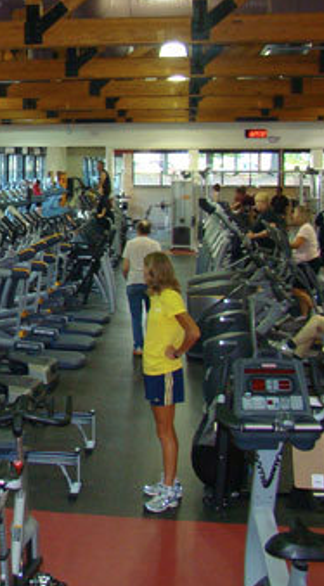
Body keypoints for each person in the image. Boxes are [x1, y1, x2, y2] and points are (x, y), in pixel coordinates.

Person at [141, 252, 200, 514]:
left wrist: (178, 352)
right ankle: (169, 480)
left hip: (165, 371)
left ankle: (169, 489)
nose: (143, 273)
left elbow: (193, 331)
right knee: (162, 429)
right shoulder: (155, 296)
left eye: (146, 269)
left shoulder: (170, 297)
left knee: (165, 431)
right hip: (153, 369)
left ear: (156, 271)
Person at [121, 220, 162, 356]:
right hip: (151, 283)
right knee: (152, 316)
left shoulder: (130, 244)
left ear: (137, 230)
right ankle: (151, 345)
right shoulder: (155, 245)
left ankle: (138, 346)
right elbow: (159, 266)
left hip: (134, 282)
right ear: (149, 231)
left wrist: (127, 279)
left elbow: (125, 267)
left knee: (136, 317)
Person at [289, 205, 320, 318]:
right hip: (305, 263)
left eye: (295, 214)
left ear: (300, 215)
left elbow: (296, 245)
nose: (293, 216)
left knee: (295, 289)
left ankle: (315, 309)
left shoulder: (305, 228)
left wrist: (283, 242)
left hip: (309, 264)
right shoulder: (304, 227)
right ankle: (304, 315)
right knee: (302, 289)